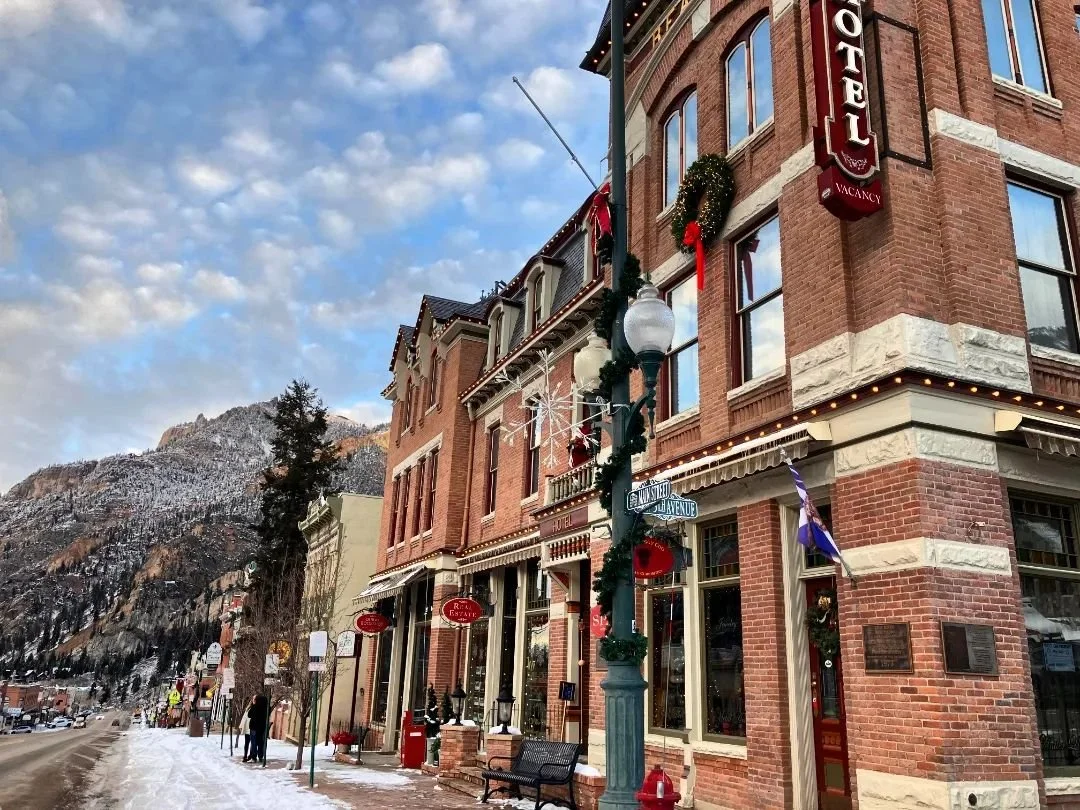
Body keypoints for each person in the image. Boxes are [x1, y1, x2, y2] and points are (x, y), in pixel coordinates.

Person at [247, 694, 269, 764]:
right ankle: (260, 756)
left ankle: (254, 757)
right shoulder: (266, 708)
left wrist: (253, 705)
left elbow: (249, 715)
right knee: (261, 743)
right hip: (262, 727)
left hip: (254, 727)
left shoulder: (255, 707)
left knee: (254, 743)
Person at [238, 696, 255, 762]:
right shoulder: (248, 708)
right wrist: (241, 726)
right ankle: (245, 755)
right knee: (247, 742)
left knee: (252, 743)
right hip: (248, 727)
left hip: (253, 727)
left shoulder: (256, 708)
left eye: (255, 699)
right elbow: (244, 717)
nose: (254, 700)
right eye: (253, 699)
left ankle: (250, 755)